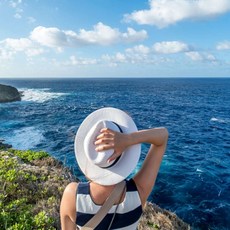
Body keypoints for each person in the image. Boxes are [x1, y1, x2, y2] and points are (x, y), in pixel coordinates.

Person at [60, 107, 168, 230]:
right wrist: (129, 139)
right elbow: (163, 136)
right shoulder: (138, 192)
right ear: (125, 154)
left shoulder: (73, 195)